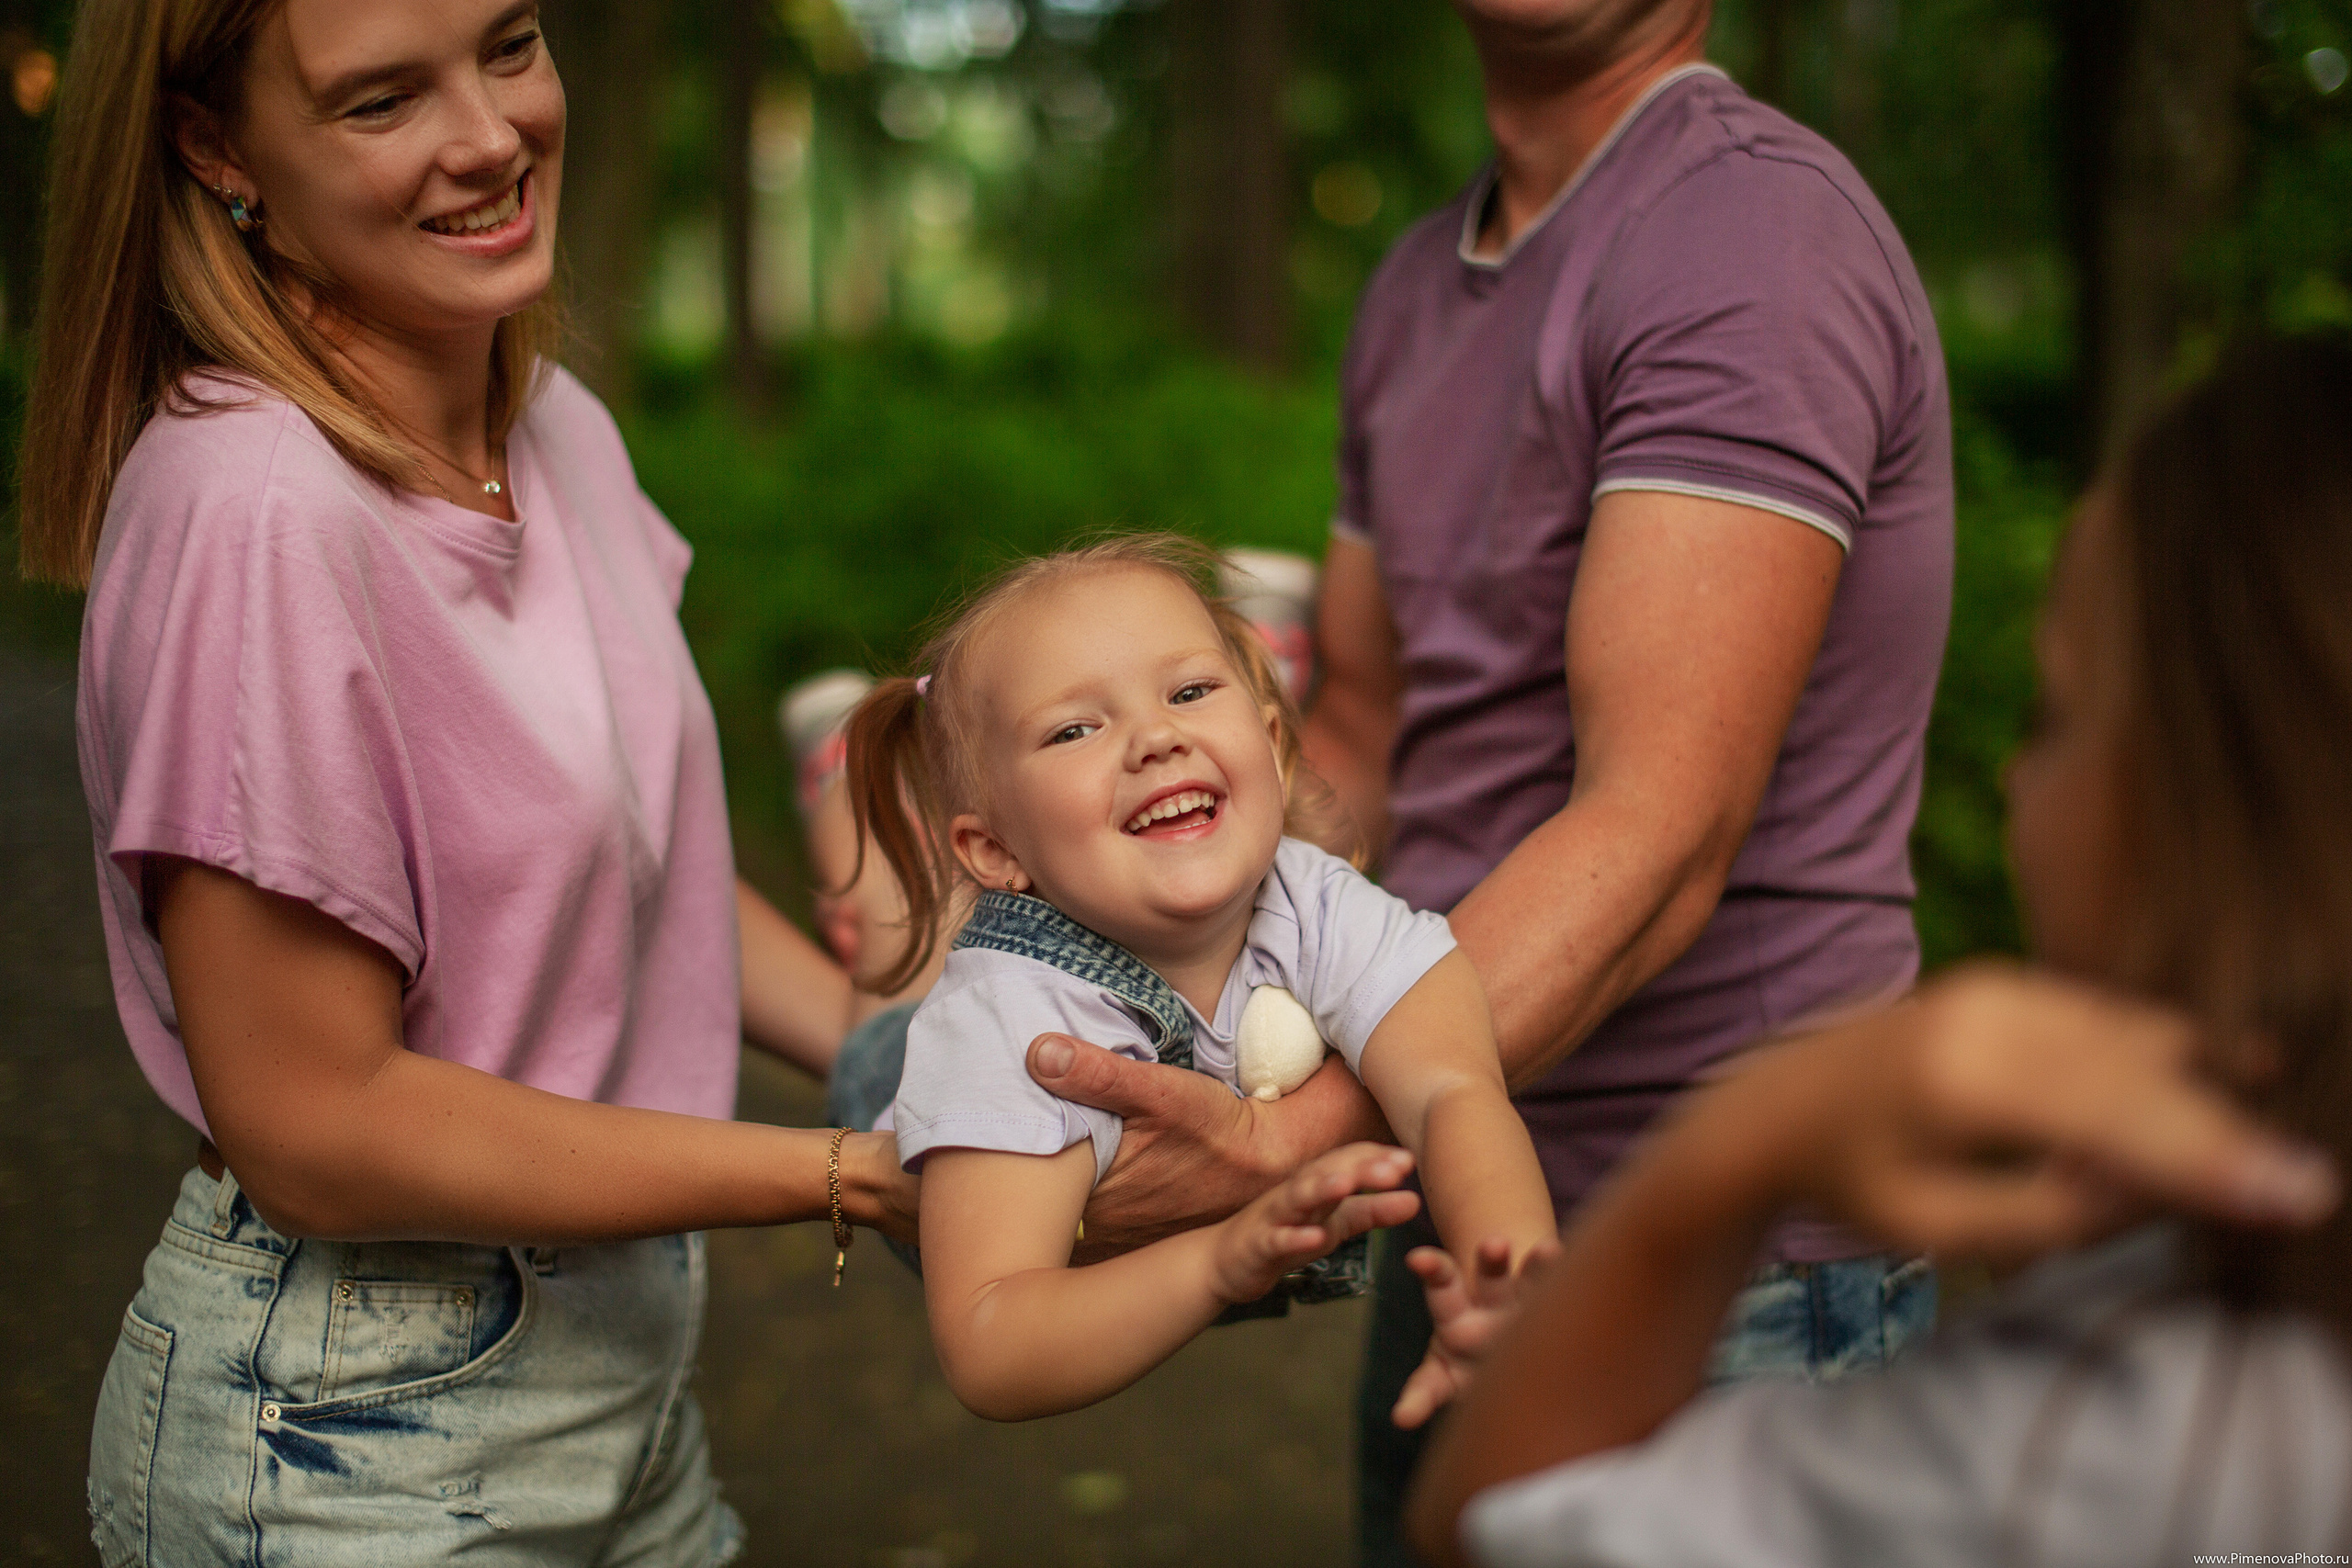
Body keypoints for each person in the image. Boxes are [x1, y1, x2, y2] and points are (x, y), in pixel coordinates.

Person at [1010, 1, 1952, 1550]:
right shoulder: (1416, 286)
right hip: (1463, 1192)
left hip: (1734, 1268)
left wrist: (1293, 1132)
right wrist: (1158, 965)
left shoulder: (1748, 231)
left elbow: (1656, 833)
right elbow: (1375, 735)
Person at [19, 3, 909, 1561]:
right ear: (219, 149)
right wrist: (842, 1173)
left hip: (615, 1389)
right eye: (381, 101)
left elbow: (652, 882)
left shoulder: (553, 421)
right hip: (346, 1431)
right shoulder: (256, 511)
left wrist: (928, 1059)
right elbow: (313, 1117)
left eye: (507, 45)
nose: (491, 136)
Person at [1407, 334, 2352, 1566]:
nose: (2016, 774)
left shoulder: (2083, 1448)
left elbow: (1494, 1516)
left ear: (2231, 807)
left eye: (2053, 712)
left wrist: (1744, 1138)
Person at [841, 535, 1557, 1422]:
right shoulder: (1006, 1022)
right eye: (1075, 728)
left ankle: (1254, 654)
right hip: (903, 1089)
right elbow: (993, 1343)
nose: (1155, 737)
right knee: (881, 993)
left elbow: (1454, 1085)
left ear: (1268, 744)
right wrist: (1217, 1260)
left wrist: (1512, 1273)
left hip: (1082, 914)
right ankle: (850, 827)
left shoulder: (1314, 900)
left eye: (1189, 691)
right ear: (993, 845)